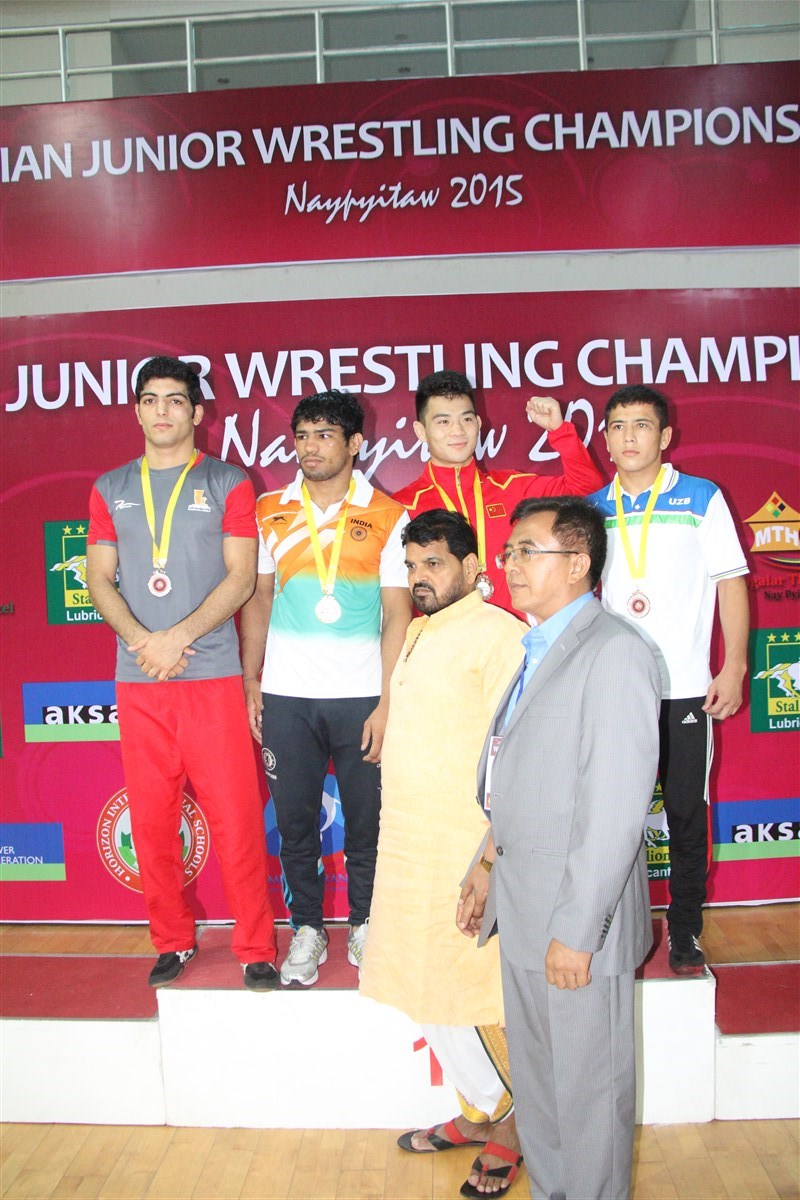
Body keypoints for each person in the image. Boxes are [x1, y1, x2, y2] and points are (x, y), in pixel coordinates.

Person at [458, 496, 661, 1200]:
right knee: (542, 1095)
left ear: (578, 563)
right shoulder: (537, 648)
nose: (509, 565)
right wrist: (487, 862)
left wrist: (577, 933)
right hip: (523, 913)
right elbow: (524, 780)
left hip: (577, 930)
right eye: (508, 552)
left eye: (527, 551)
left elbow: (614, 810)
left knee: (589, 1101)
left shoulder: (614, 652)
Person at [87, 355, 278, 991]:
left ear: (197, 412)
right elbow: (98, 578)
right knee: (150, 822)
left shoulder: (228, 482)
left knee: (237, 819)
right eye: (150, 400)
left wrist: (179, 638)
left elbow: (242, 578)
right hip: (140, 678)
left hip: (211, 676)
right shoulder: (110, 486)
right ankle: (172, 938)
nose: (162, 411)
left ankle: (256, 947)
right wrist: (144, 641)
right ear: (137, 411)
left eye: (174, 400)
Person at [360, 510, 527, 1199]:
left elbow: (516, 756)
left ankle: (515, 1123)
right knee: (422, 988)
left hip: (464, 852)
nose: (420, 579)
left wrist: (488, 861)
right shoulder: (417, 631)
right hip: (408, 848)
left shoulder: (501, 635)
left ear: (472, 566)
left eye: (434, 564)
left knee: (474, 992)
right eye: (411, 567)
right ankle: (477, 1110)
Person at [240, 390, 412, 987]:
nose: (309, 448)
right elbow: (259, 599)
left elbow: (397, 614)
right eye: (302, 436)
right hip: (287, 697)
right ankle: (307, 929)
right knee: (294, 826)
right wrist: (252, 678)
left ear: (355, 443)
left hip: (361, 696)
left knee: (368, 824)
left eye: (324, 435)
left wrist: (388, 700)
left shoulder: (387, 515)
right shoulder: (269, 509)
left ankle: (366, 925)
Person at [587, 384, 749, 975]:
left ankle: (684, 931)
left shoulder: (702, 498)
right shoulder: (592, 509)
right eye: (617, 426)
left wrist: (734, 665)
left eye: (641, 425)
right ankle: (612, 931)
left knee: (685, 813)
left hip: (684, 689)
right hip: (618, 692)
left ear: (665, 436)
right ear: (605, 440)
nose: (628, 437)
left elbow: (731, 581)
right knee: (613, 820)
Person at [393, 370, 602, 609]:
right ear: (421, 431)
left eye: (466, 419)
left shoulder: (511, 487)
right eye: (443, 422)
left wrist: (559, 431)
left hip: (513, 630)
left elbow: (585, 489)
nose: (458, 431)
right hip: (440, 632)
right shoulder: (401, 506)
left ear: (479, 423)